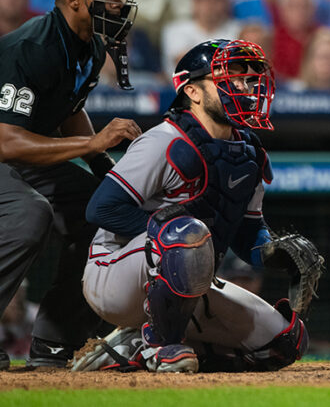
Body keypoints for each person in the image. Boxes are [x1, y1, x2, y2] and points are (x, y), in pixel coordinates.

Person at [74, 39, 314, 373]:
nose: (243, 86)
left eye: (246, 79)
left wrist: (274, 253)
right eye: (229, 78)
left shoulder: (249, 154)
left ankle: (133, 346)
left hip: (189, 279)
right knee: (187, 234)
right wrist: (170, 237)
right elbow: (102, 209)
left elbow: (247, 234)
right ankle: (160, 345)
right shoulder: (163, 140)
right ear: (193, 92)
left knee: (284, 345)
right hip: (113, 274)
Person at [0, 0, 142, 369]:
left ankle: (55, 341)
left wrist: (113, 179)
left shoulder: (91, 46)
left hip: (25, 156)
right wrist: (93, 146)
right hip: (7, 151)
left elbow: (67, 110)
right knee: (29, 214)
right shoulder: (30, 47)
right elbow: (6, 141)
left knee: (106, 209)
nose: (117, 4)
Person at [160, 0, 240, 78]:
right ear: (195, 2)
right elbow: (187, 64)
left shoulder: (237, 29)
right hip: (181, 92)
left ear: (225, 2)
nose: (210, 3)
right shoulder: (175, 30)